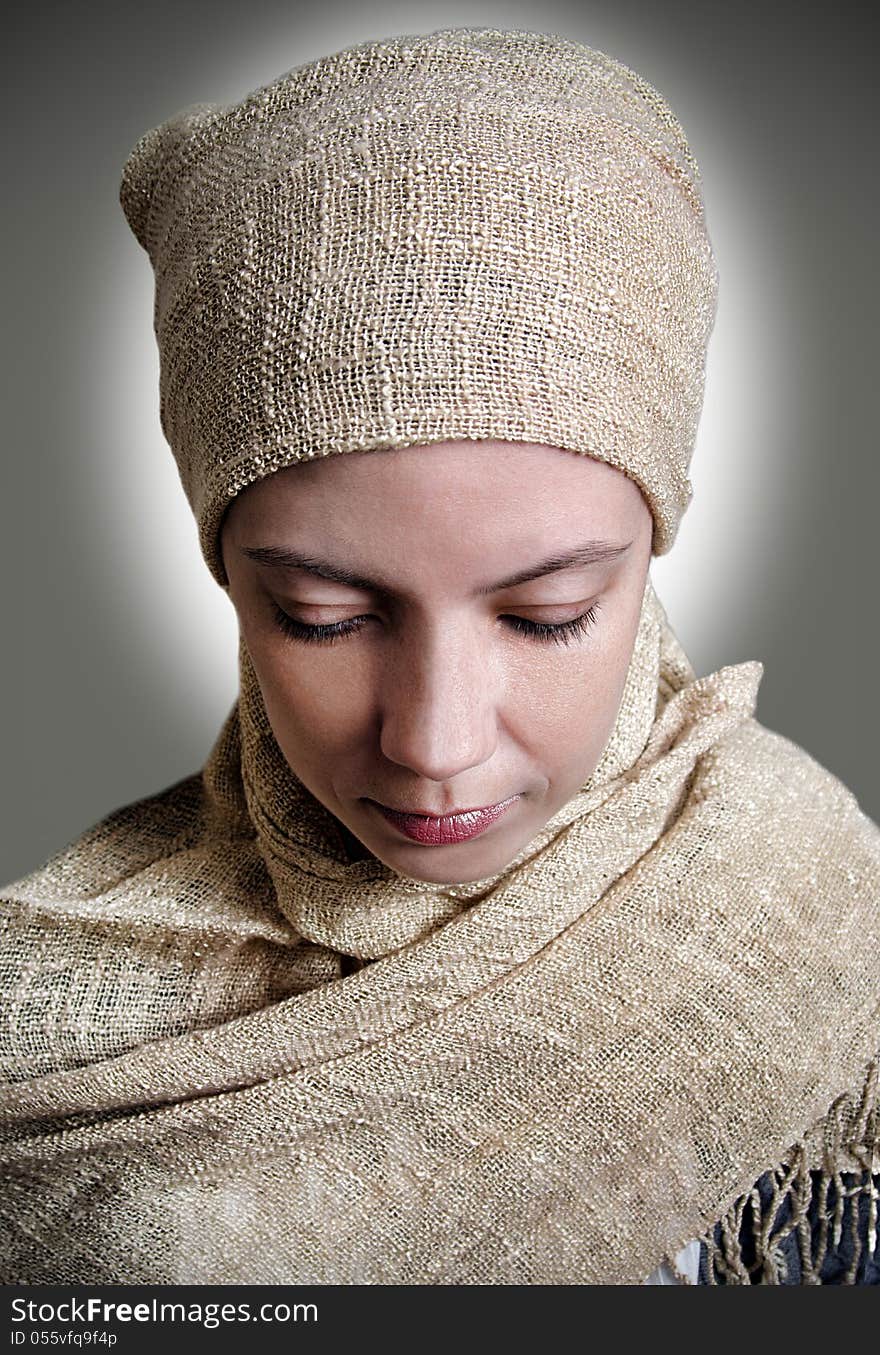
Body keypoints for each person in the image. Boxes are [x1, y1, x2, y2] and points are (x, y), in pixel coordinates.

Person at [0, 26, 877, 1287]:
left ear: (649, 549)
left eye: (549, 612)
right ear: (225, 570)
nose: (433, 740)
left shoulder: (823, 929)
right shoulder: (49, 1027)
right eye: (321, 614)